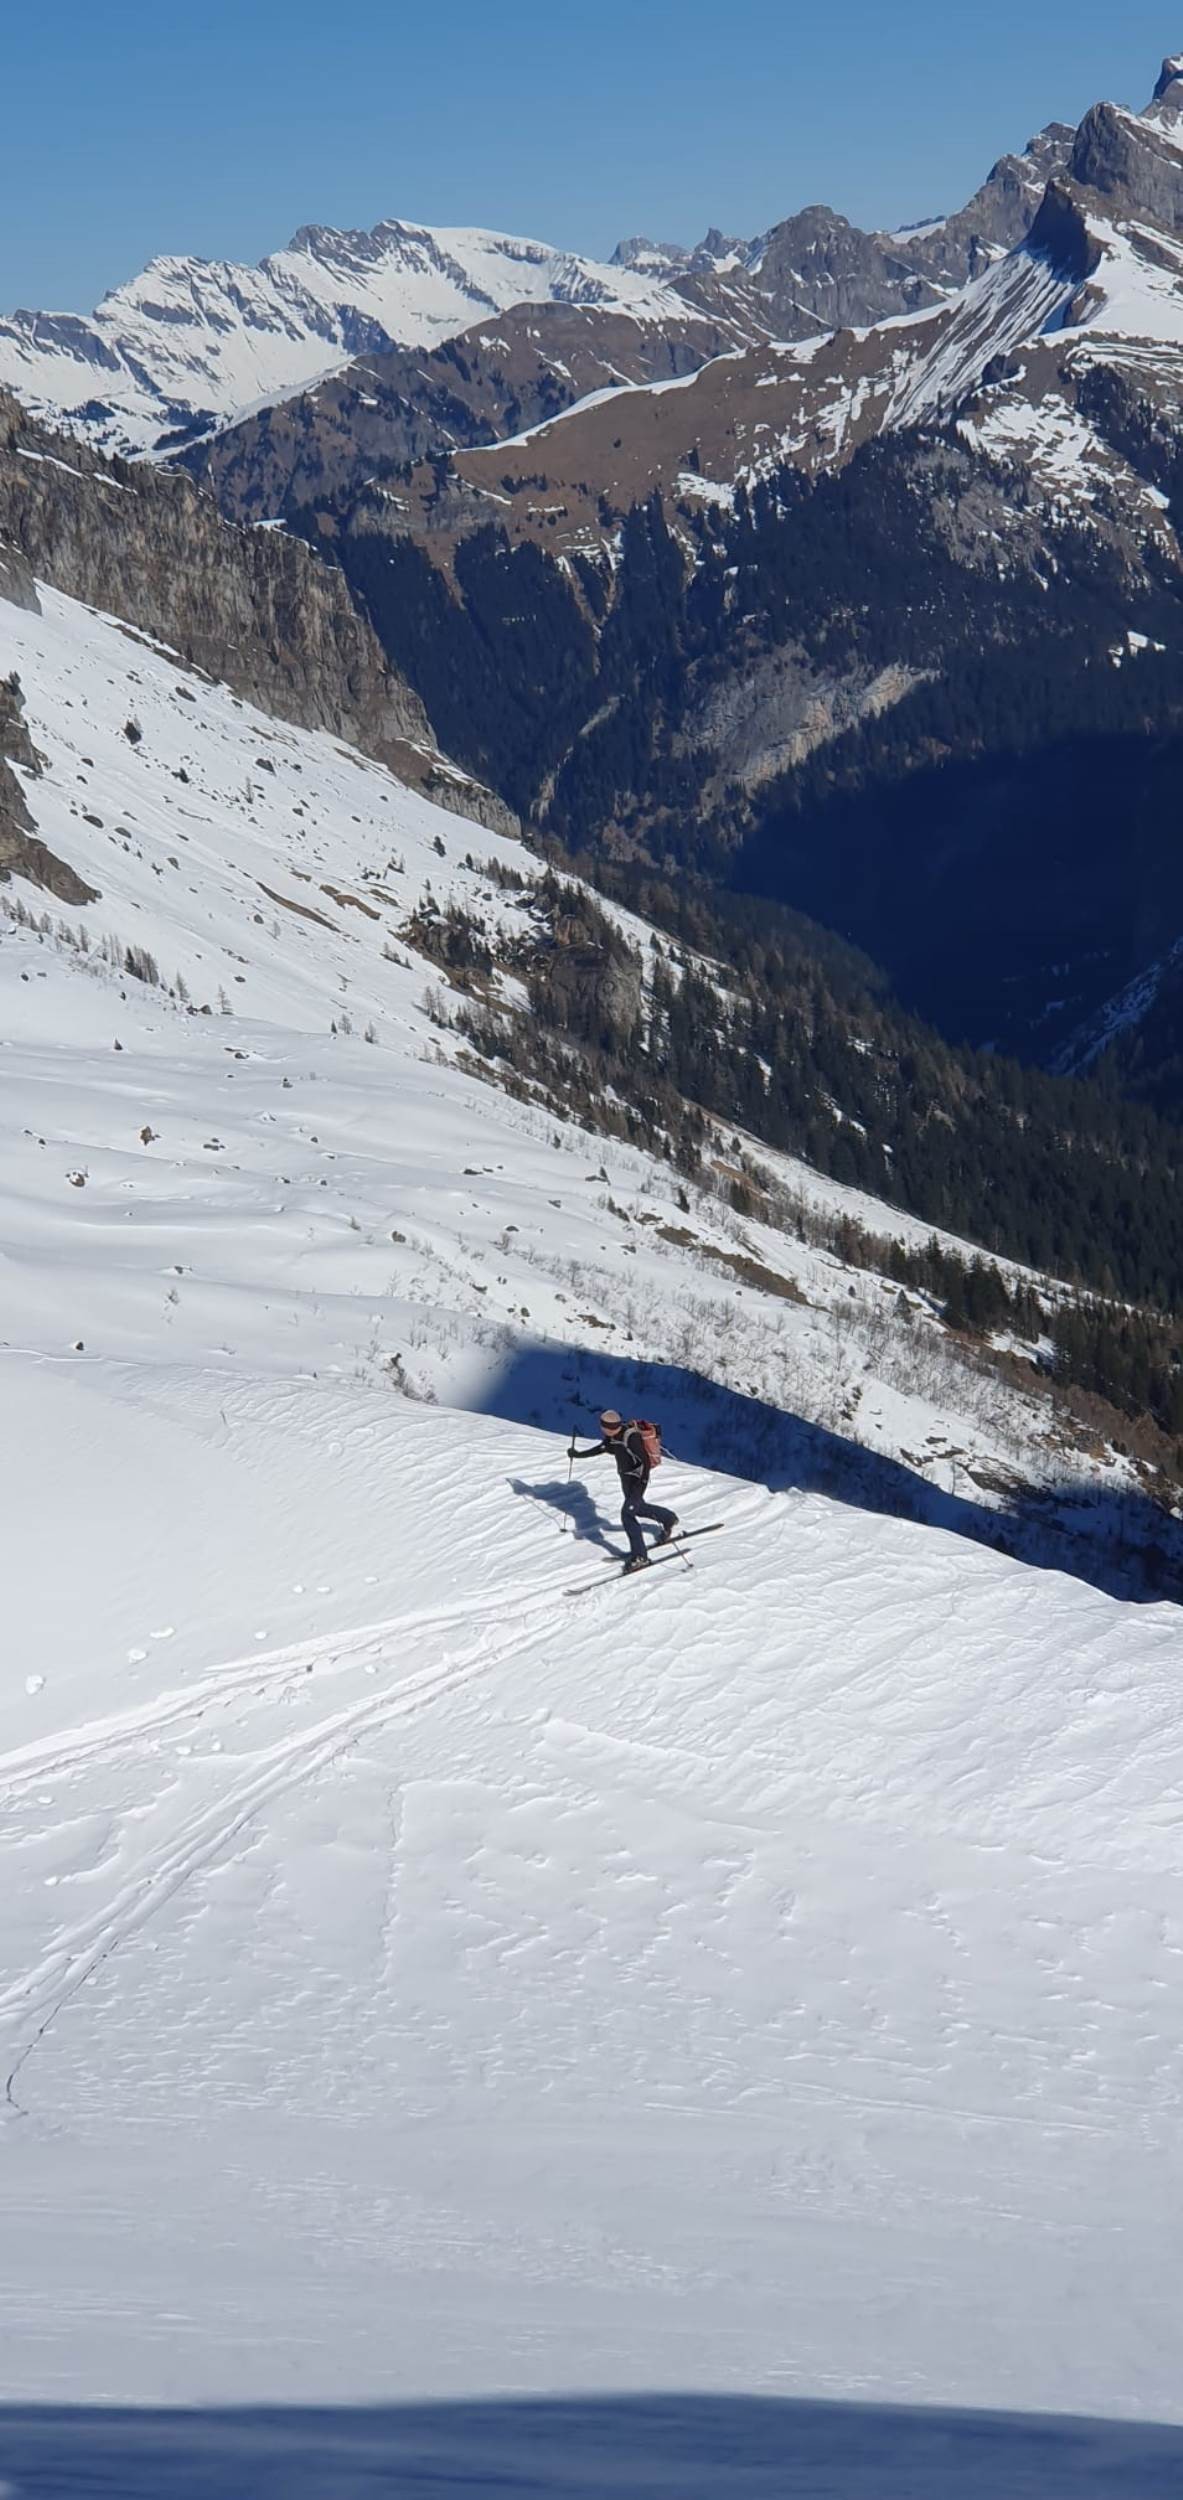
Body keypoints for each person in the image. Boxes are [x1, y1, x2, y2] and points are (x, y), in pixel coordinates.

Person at [568, 1410, 679, 1573]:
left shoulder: (631, 1437)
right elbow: (603, 1448)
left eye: (602, 1425)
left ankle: (640, 1556)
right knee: (637, 1508)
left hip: (637, 1480)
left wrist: (639, 1487)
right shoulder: (613, 1435)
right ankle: (668, 1518)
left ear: (607, 1427)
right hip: (626, 1478)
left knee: (627, 1514)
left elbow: (645, 1464)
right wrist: (578, 1455)